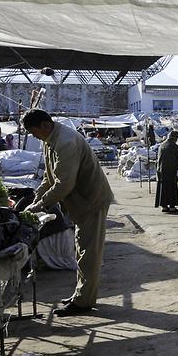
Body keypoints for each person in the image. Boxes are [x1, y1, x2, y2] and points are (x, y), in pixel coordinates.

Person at [22, 109, 113, 316]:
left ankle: (83, 302)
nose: (34, 136)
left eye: (34, 132)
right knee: (81, 250)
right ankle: (81, 295)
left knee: (88, 254)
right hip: (81, 202)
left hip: (92, 200)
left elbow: (64, 184)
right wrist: (37, 196)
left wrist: (39, 206)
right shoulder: (50, 140)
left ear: (45, 125)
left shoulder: (65, 141)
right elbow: (50, 176)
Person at [155, 130, 178, 213]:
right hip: (170, 170)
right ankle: (172, 207)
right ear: (175, 138)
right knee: (171, 189)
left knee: (163, 189)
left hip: (161, 170)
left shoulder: (162, 145)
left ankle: (164, 206)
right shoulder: (173, 146)